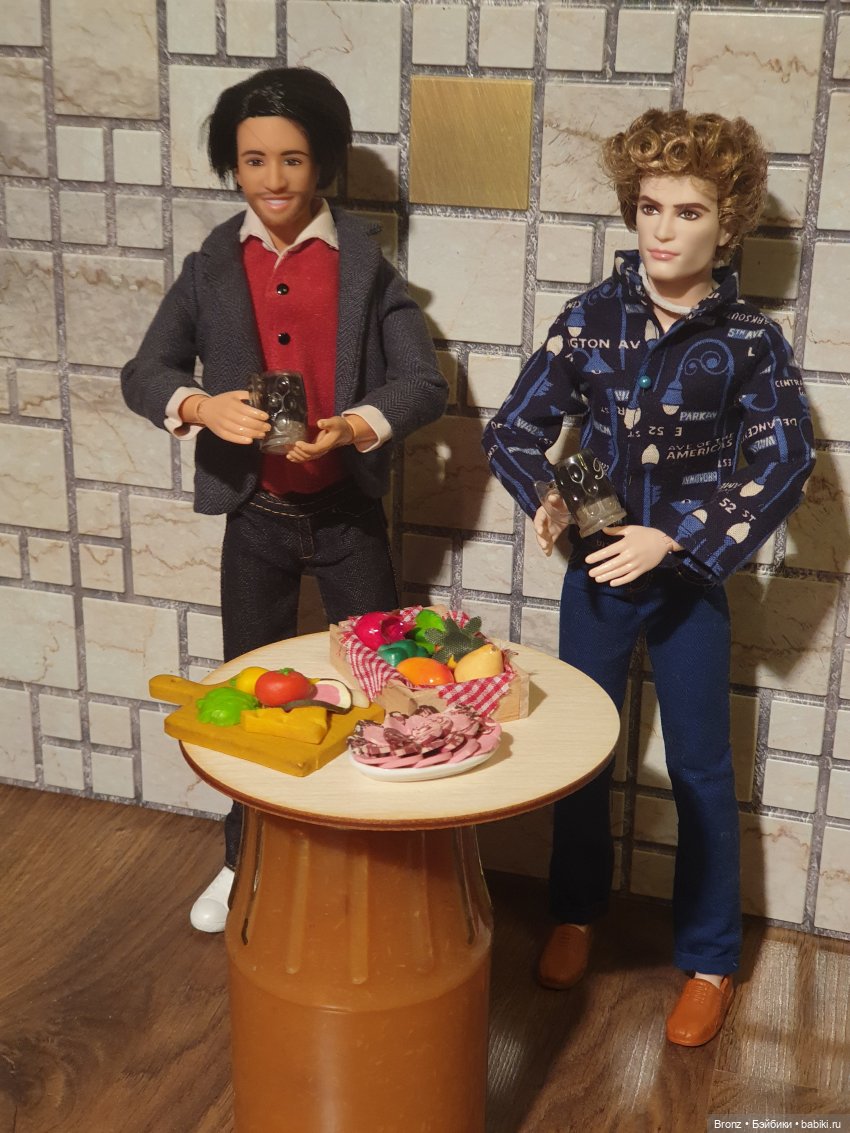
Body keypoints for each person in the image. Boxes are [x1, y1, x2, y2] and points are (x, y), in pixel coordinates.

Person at [482, 108, 814, 1046]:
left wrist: (678, 540)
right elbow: (511, 427)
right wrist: (548, 493)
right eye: (650, 208)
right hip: (595, 575)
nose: (664, 230)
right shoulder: (591, 320)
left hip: (688, 587)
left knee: (702, 767)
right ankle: (575, 911)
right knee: (584, 753)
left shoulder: (748, 341)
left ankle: (709, 957)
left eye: (690, 211)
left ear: (727, 223)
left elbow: (784, 460)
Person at [122, 67, 447, 933]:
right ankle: (246, 856)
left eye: (293, 159)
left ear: (324, 164)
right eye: (253, 160)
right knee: (248, 695)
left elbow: (424, 381)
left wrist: (354, 425)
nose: (272, 179)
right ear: (232, 167)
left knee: (384, 687)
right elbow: (145, 370)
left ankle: (380, 856)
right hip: (255, 515)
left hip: (347, 515)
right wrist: (200, 406)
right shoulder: (211, 268)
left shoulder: (364, 266)